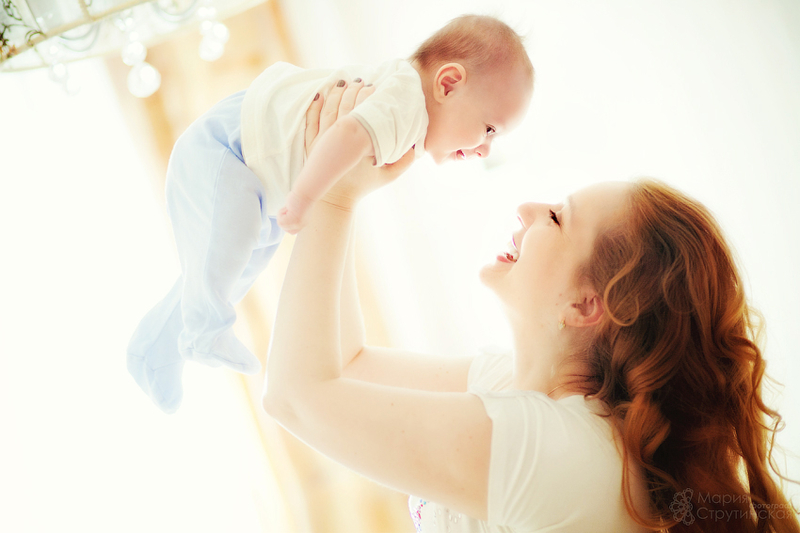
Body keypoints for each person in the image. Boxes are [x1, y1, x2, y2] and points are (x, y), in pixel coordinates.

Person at [262, 85, 800, 532]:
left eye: (558, 218)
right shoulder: (515, 385)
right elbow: (347, 365)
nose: (526, 209)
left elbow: (295, 398)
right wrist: (345, 192)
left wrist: (328, 192)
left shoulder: (563, 452)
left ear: (586, 304)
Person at [126, 14, 534, 413]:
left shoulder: (406, 104)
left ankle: (156, 349)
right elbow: (347, 132)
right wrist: (304, 198)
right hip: (227, 148)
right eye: (489, 129)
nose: (485, 149)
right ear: (448, 83)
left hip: (248, 167)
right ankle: (203, 331)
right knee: (232, 250)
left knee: (235, 263)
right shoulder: (407, 103)